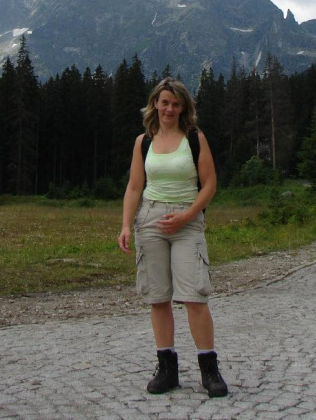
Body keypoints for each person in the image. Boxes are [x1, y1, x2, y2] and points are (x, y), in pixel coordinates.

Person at [117, 77, 229, 399]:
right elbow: (134, 187)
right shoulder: (144, 142)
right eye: (164, 102)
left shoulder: (194, 139)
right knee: (158, 297)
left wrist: (186, 215)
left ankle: (210, 370)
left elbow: (209, 185)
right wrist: (126, 225)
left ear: (184, 108)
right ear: (155, 103)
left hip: (187, 220)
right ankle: (167, 369)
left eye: (175, 104)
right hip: (149, 220)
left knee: (194, 295)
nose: (169, 109)